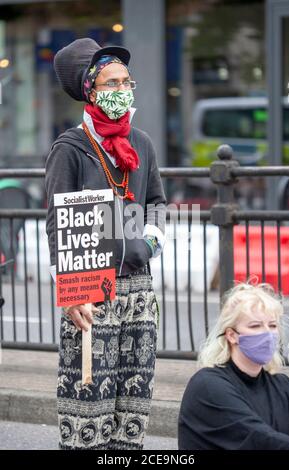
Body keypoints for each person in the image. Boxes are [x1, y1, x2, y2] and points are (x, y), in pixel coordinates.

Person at [45, 38, 166, 450]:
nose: (122, 91)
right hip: (91, 291)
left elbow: (156, 202)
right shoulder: (70, 149)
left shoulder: (142, 143)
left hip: (138, 291)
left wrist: (148, 245)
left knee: (133, 406)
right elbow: (57, 223)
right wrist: (70, 293)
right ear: (90, 91)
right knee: (89, 404)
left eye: (126, 82)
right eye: (111, 83)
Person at [178, 282, 289, 450]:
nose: (267, 333)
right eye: (255, 326)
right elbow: (259, 440)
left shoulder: (282, 386)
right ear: (232, 335)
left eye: (272, 325)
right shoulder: (208, 386)